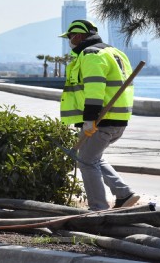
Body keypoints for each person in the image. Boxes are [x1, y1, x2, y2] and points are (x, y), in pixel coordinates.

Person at [59, 19, 140, 211]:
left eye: (70, 37)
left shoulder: (91, 55)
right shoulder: (114, 52)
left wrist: (90, 119)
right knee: (93, 157)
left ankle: (98, 208)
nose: (70, 40)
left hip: (101, 120)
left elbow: (95, 89)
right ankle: (124, 194)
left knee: (86, 161)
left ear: (79, 36)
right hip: (117, 119)